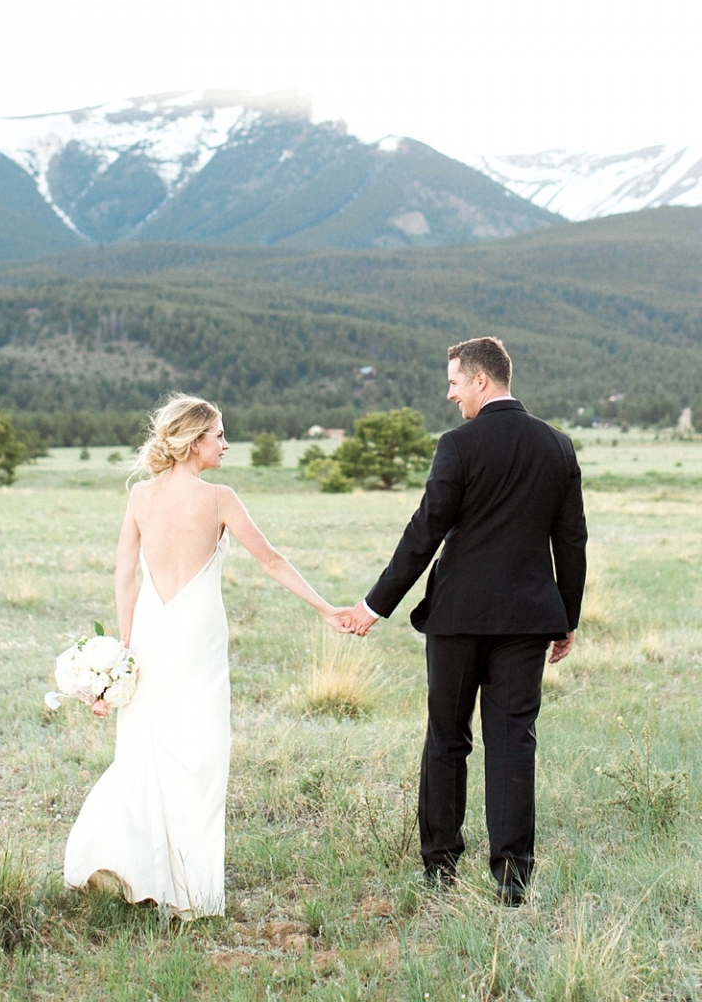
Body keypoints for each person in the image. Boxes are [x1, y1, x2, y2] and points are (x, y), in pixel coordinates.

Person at [64, 395, 350, 919]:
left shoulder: (141, 497)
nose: (226, 443)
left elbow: (124, 575)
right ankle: (191, 892)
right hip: (197, 638)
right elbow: (272, 560)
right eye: (219, 434)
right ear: (195, 441)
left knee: (144, 751)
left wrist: (124, 651)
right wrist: (326, 609)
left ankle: (143, 872)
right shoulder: (220, 498)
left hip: (150, 633)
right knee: (200, 758)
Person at [344, 336, 587, 904]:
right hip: (527, 621)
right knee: (513, 743)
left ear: (481, 380)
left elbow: (425, 529)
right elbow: (572, 540)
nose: (450, 394)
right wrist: (566, 618)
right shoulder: (557, 445)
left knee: (447, 739)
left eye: (454, 382)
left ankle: (440, 870)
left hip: (457, 618)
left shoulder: (458, 445)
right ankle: (512, 882)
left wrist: (374, 605)